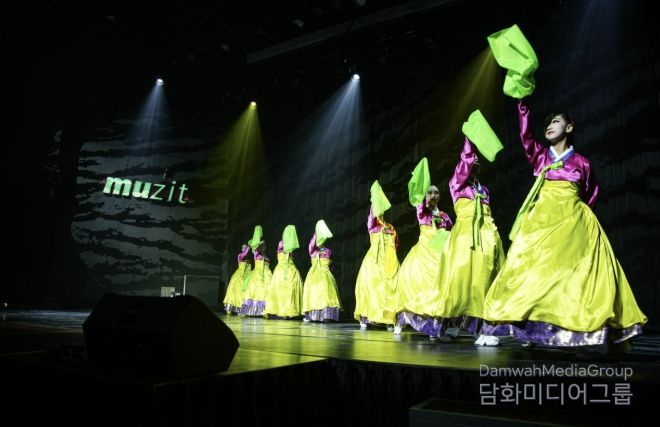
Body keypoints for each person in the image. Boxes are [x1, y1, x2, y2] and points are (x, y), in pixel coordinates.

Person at [480, 100, 647, 348]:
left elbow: (590, 193)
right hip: (541, 221)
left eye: (556, 121)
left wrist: (576, 216)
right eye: (547, 123)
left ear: (569, 127)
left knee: (575, 277)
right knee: (526, 272)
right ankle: (522, 328)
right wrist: (522, 105)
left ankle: (583, 330)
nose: (549, 126)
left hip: (572, 220)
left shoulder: (582, 162)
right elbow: (526, 136)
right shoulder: (540, 156)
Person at [406, 137, 505, 343]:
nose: (474, 159)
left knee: (484, 279)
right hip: (464, 238)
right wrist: (470, 139)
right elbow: (464, 162)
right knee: (457, 283)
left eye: (476, 158)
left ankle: (484, 328)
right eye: (471, 157)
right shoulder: (456, 184)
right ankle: (448, 326)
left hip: (486, 235)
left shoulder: (483, 190)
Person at [394, 159, 454, 339]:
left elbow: (451, 232)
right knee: (415, 283)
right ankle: (402, 320)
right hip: (424, 252)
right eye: (430, 192)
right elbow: (419, 200)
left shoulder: (444, 216)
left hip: (440, 253)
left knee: (440, 286)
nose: (433, 195)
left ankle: (435, 326)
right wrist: (422, 183)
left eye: (436, 192)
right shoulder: (423, 211)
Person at [354, 181, 400, 329]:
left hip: (389, 260)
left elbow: (396, 243)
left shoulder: (390, 227)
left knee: (391, 288)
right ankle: (367, 317)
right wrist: (376, 196)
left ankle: (388, 318)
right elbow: (372, 214)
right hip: (374, 260)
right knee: (372, 286)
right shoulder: (373, 225)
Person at [302, 221, 343, 322]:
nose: (320, 242)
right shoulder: (313, 251)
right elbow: (311, 245)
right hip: (314, 276)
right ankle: (312, 315)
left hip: (325, 274)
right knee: (313, 291)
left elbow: (331, 263)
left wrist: (331, 267)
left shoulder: (328, 251)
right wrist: (317, 233)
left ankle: (327, 316)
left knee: (326, 292)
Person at [265, 226, 304, 319]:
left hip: (291, 270)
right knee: (279, 290)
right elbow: (283, 250)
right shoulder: (282, 243)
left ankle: (290, 311)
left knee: (291, 290)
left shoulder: (290, 246)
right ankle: (280, 311)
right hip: (281, 271)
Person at [242, 237, 272, 317]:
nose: (264, 247)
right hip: (257, 274)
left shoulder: (265, 255)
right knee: (254, 291)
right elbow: (251, 245)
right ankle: (248, 311)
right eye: (262, 245)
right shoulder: (256, 252)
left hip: (266, 274)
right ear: (259, 246)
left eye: (264, 245)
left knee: (267, 290)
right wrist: (255, 243)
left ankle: (265, 310)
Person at [222, 244, 252, 315]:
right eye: (243, 247)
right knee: (235, 289)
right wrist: (249, 246)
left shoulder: (249, 258)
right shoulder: (240, 255)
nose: (244, 248)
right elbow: (244, 254)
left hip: (247, 275)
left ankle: (243, 309)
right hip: (240, 274)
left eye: (245, 247)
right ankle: (232, 307)